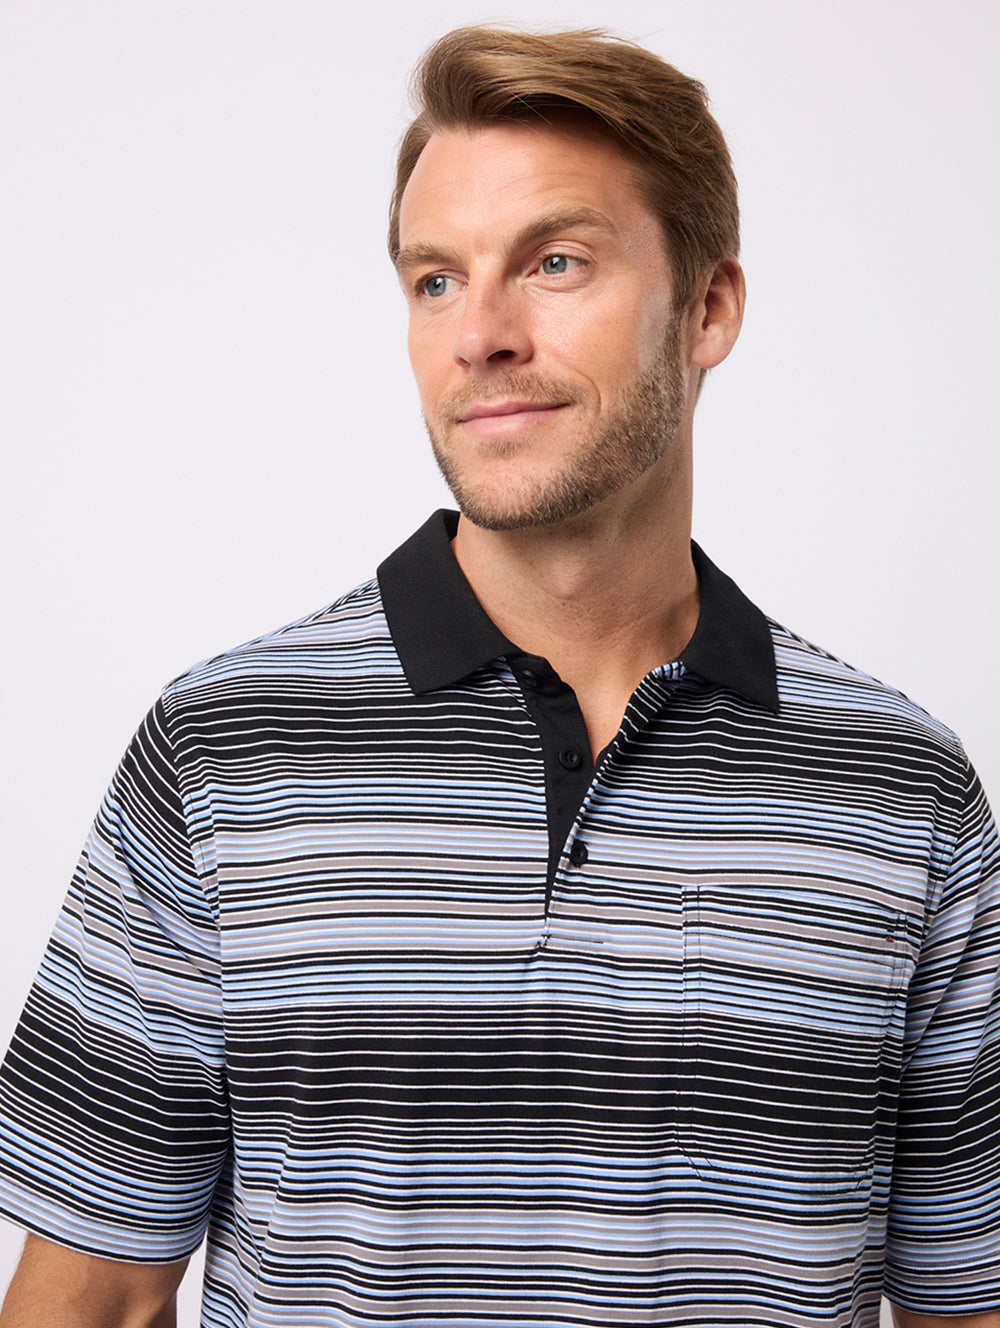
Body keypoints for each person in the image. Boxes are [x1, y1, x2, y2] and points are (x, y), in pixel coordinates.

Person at [0, 24, 997, 1328]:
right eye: (434, 279)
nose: (479, 334)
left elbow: (963, 1309)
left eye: (556, 263)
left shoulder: (901, 790)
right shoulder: (224, 750)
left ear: (709, 308)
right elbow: (93, 1301)